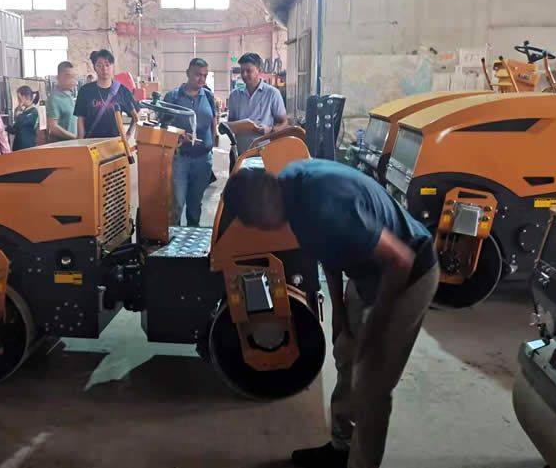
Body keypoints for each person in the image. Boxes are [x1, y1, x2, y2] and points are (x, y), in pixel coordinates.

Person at [221, 159, 440, 468]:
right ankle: (341, 448)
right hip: (368, 273)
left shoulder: (323, 202)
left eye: (255, 220)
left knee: (373, 383)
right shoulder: (289, 190)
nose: (260, 229)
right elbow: (325, 250)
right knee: (346, 353)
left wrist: (375, 323)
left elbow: (400, 259)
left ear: (265, 199)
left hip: (409, 276)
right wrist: (338, 310)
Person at [164, 58, 219, 226]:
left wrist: (213, 137)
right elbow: (162, 126)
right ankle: (173, 237)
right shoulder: (173, 97)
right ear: (188, 73)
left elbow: (213, 118)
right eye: (197, 75)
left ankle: (192, 235)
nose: (201, 79)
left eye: (204, 75)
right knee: (177, 203)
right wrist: (179, 136)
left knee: (195, 205)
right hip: (180, 158)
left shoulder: (208, 95)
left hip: (203, 160)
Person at [75, 49, 141, 139]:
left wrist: (129, 134)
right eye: (99, 65)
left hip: (114, 143)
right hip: (91, 142)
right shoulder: (85, 91)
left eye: (107, 65)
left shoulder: (122, 91)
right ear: (94, 68)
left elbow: (137, 113)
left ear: (112, 66)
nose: (104, 69)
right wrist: (81, 140)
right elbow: (81, 119)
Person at [227, 52, 287, 136]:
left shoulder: (272, 94)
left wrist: (270, 130)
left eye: (248, 71)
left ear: (259, 70)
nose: (244, 74)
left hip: (265, 143)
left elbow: (284, 122)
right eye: (242, 71)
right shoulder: (234, 95)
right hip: (241, 144)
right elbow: (231, 123)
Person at [47, 61, 78, 142]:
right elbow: (53, 127)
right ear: (58, 78)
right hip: (62, 146)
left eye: (74, 77)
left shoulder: (71, 97)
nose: (73, 81)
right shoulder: (54, 99)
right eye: (69, 76)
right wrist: (75, 137)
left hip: (74, 145)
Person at [7, 86, 40, 151]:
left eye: (19, 98)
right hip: (18, 146)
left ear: (27, 97)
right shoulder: (23, 111)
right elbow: (16, 129)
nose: (18, 100)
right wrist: (6, 128)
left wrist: (19, 108)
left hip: (28, 147)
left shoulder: (33, 112)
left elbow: (20, 122)